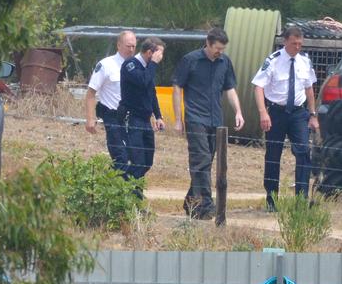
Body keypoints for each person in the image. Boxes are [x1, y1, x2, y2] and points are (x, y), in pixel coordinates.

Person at [172, 27, 245, 219]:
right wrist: (178, 119)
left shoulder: (225, 62)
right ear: (208, 43)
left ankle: (191, 202)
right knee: (201, 160)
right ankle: (206, 205)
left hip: (216, 120)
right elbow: (177, 87)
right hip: (195, 117)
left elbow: (230, 88)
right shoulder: (191, 60)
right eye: (217, 48)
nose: (219, 52)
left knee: (206, 163)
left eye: (222, 48)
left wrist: (238, 111)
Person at [251, 26, 319, 212]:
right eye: (293, 43)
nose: (297, 47)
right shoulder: (273, 61)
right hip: (276, 112)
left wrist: (312, 114)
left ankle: (301, 199)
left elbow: (309, 89)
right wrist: (262, 113)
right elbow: (258, 86)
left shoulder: (305, 61)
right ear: (285, 42)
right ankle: (272, 199)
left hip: (298, 113)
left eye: (300, 44)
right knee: (273, 155)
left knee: (304, 152)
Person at [86, 30, 137, 172]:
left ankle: (109, 183)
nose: (131, 49)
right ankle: (125, 191)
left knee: (134, 156)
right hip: (112, 116)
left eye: (134, 46)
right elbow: (90, 93)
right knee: (120, 156)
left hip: (131, 118)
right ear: (118, 45)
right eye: (128, 46)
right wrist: (91, 119)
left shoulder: (137, 66)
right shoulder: (106, 65)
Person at [118, 37, 165, 189]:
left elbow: (151, 92)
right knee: (137, 162)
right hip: (131, 119)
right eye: (159, 54)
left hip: (145, 120)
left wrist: (158, 116)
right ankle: (127, 194)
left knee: (146, 162)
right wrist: (153, 64)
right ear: (150, 52)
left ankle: (124, 187)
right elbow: (143, 81)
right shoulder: (130, 64)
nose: (161, 58)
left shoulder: (148, 68)